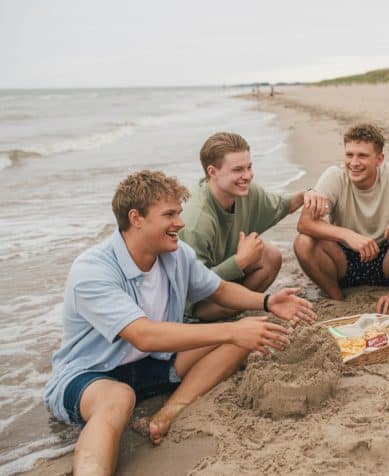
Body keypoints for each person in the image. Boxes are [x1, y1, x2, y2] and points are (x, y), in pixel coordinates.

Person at [43, 170, 316, 475]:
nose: (180, 223)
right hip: (91, 375)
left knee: (240, 340)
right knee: (119, 398)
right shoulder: (93, 269)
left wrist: (266, 302)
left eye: (179, 212)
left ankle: (166, 414)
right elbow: (143, 335)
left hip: (153, 364)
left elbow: (220, 289)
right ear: (136, 218)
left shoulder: (175, 255)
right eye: (169, 214)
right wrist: (235, 328)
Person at [293, 123, 389, 315]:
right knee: (303, 242)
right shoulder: (335, 176)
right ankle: (336, 297)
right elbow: (304, 223)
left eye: (362, 156)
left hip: (388, 261)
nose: (354, 163)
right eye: (349, 155)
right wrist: (346, 235)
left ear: (379, 159)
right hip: (344, 262)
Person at [180, 132, 327, 321]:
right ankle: (225, 314)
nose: (247, 176)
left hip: (224, 279)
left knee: (270, 255)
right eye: (238, 170)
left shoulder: (246, 193)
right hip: (195, 304)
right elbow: (192, 287)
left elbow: (281, 205)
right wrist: (240, 261)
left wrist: (307, 194)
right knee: (256, 256)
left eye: (249, 167)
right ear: (212, 172)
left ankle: (238, 307)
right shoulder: (196, 221)